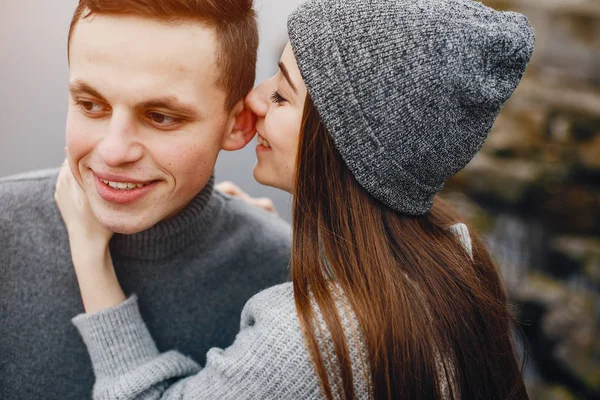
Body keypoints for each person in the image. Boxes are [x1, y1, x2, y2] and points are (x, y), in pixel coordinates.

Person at [54, 0, 536, 398]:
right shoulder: (453, 261)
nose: (255, 101)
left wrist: (90, 256)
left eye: (282, 95)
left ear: (342, 145)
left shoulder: (312, 337)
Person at [0, 1, 291, 399]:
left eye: (161, 116)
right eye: (91, 105)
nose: (114, 151)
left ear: (237, 125)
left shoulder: (286, 275)